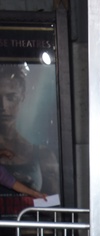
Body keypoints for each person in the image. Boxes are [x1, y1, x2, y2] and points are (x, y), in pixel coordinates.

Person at [0, 65, 59, 196]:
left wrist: (35, 194)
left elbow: (53, 201)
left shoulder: (43, 155)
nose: (3, 106)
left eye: (11, 97)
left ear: (22, 97)